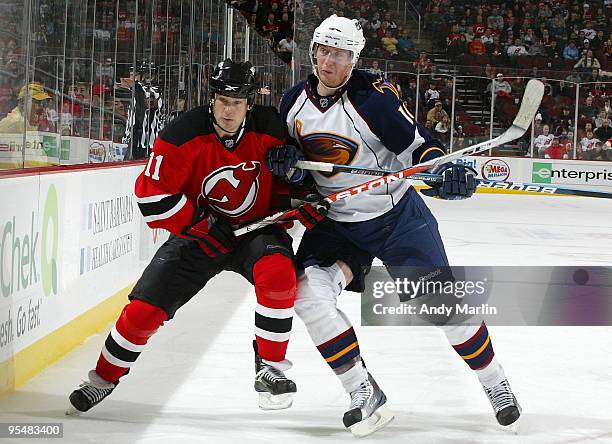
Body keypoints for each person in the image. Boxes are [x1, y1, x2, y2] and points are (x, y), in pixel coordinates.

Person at [275, 14, 521, 437]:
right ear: (313, 51)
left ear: (354, 60)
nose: (330, 61)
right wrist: (292, 174)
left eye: (341, 54)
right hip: (337, 223)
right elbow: (299, 172)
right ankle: (362, 390)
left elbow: (419, 147)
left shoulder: (373, 99)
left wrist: (442, 172)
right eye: (324, 51)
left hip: (395, 220)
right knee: (308, 296)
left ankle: (495, 383)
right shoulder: (292, 102)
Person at [66, 59, 321, 415]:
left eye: (236, 102)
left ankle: (270, 367)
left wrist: (302, 197)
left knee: (279, 276)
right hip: (198, 233)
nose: (228, 110)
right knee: (144, 311)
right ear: (212, 98)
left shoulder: (271, 128)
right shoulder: (182, 133)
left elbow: (294, 186)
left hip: (257, 229)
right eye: (221, 100)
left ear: (250, 102)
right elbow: (151, 198)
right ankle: (101, 381)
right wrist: (201, 226)